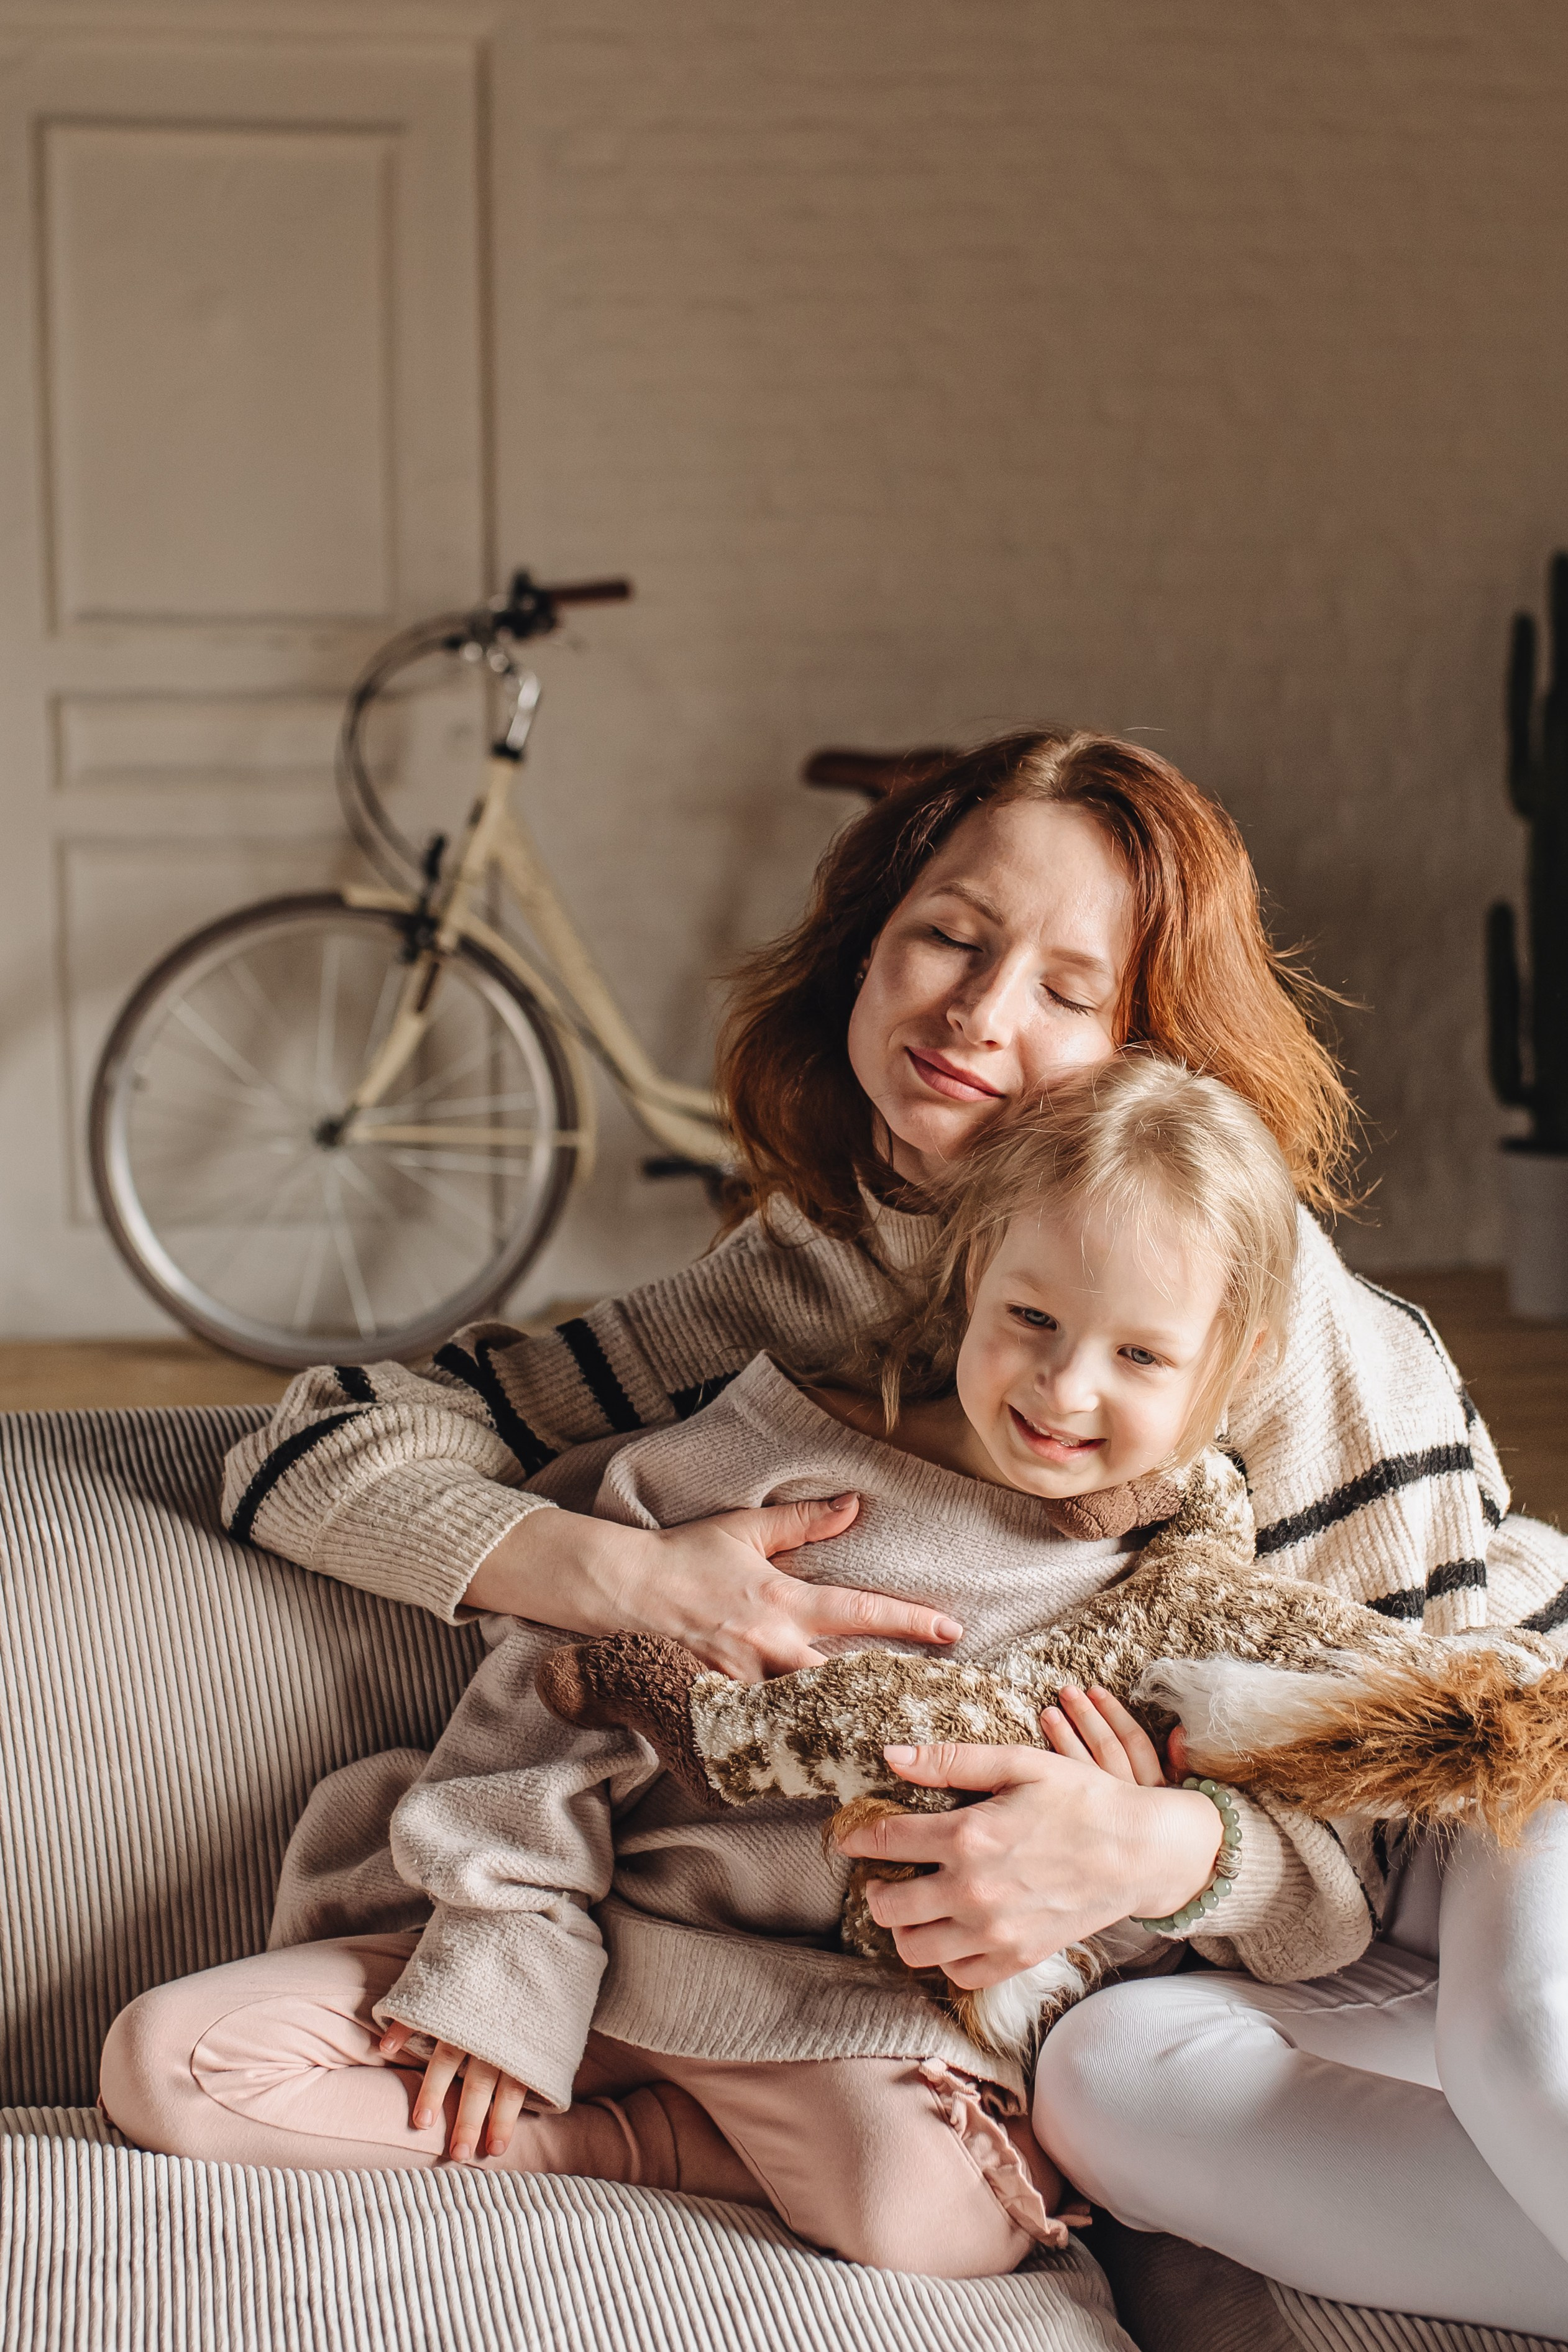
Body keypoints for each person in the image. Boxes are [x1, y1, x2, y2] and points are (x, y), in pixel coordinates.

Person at [209, 731, 1567, 2320]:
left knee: (1520, 2029)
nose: (978, 1015)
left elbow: (1430, 1724)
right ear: (866, 940)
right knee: (1111, 2090)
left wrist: (1155, 1843)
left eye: (1071, 988)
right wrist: (632, 1582)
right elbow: (312, 1443)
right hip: (1269, 1943)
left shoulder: (1282, 1310)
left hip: (1500, 1762)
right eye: (949, 934)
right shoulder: (805, 1274)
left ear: (1154, 1049)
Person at [106, 1059, 1382, 2280]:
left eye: (1139, 1355)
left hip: (849, 2028)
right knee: (168, 2062)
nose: (1062, 1384)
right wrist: (504, 1974)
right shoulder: (773, 1462)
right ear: (974, 1271)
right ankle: (578, 2105)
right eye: (1031, 1317)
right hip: (598, 1948)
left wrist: (1164, 1852)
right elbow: (550, 1703)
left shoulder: (1202, 1599)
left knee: (933, 2209)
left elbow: (1327, 1906)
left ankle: (610, 2149)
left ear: (1238, 1358)